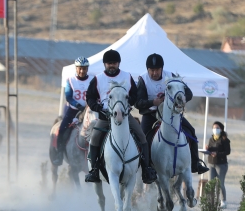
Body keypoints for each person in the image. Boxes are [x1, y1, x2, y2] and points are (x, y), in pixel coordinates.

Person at [84, 49, 157, 184]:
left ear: (119, 63)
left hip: (124, 116)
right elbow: (90, 97)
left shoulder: (127, 76)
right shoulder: (98, 79)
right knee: (94, 138)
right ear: (105, 64)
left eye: (114, 63)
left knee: (141, 135)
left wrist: (128, 103)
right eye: (109, 63)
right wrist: (97, 107)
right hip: (105, 117)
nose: (112, 65)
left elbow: (134, 95)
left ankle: (146, 169)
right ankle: (94, 170)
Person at [135, 53, 209, 175]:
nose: (154, 73)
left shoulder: (171, 76)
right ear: (147, 69)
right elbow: (138, 103)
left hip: (171, 115)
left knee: (191, 131)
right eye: (151, 70)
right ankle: (146, 168)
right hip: (151, 115)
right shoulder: (143, 80)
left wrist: (177, 99)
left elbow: (188, 93)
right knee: (143, 138)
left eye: (157, 70)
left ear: (162, 69)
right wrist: (153, 102)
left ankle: (195, 163)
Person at [58, 56, 91, 151]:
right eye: (80, 68)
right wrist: (77, 105)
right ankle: (59, 154)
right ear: (76, 68)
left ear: (87, 69)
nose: (82, 71)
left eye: (84, 69)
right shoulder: (70, 80)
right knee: (62, 129)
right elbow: (68, 96)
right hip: (73, 110)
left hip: (88, 111)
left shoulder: (92, 80)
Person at [206, 121, 231, 208]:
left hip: (221, 164)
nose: (215, 130)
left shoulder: (224, 140)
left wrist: (218, 154)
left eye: (217, 128)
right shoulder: (211, 139)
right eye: (214, 128)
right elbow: (210, 150)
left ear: (221, 129)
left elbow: (227, 152)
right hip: (211, 163)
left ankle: (223, 201)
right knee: (210, 183)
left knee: (220, 183)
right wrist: (207, 149)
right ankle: (211, 201)